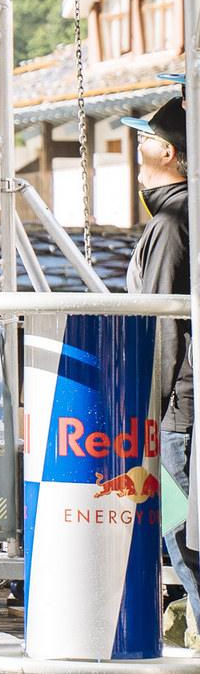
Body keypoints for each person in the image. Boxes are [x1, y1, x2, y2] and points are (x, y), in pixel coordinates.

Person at [121, 97, 197, 646]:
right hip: (180, 402)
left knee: (183, 536)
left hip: (175, 410)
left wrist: (145, 410)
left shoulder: (172, 221)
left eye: (144, 137)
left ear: (166, 152)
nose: (136, 147)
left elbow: (163, 323)